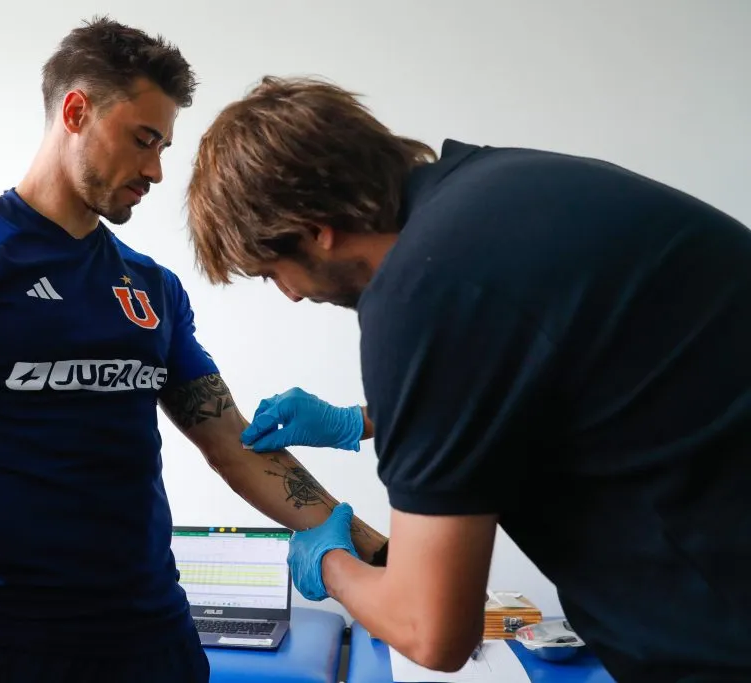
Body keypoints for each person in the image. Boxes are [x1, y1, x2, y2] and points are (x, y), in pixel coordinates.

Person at [0, 25, 387, 683]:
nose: (156, 169)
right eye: (143, 140)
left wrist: (370, 545)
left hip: (157, 639)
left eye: (163, 146)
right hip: (13, 644)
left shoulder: (152, 287)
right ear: (76, 112)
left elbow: (231, 442)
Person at [184, 75, 751, 682]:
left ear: (317, 227)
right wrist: (361, 422)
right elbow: (553, 367)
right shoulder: (506, 189)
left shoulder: (422, 292)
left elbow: (432, 632)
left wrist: (332, 566)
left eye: (273, 271)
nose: (291, 295)